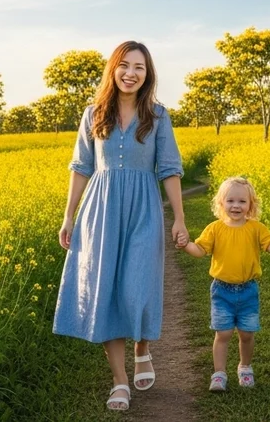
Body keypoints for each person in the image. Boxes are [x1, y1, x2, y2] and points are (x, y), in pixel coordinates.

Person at [53, 41, 189, 412]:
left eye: (140, 67)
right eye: (125, 65)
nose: (131, 73)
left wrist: (179, 218)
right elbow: (81, 167)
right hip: (101, 209)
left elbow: (170, 169)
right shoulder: (93, 113)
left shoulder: (158, 116)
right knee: (106, 290)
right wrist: (69, 215)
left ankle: (143, 348)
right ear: (113, 69)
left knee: (139, 284)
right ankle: (119, 380)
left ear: (148, 75)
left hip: (144, 207)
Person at [178, 176, 270, 392]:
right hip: (222, 290)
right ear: (221, 203)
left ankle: (245, 367)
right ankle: (219, 374)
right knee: (223, 333)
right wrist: (185, 245)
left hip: (248, 290)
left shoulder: (256, 228)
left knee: (247, 334)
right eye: (230, 201)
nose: (236, 206)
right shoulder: (215, 229)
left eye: (242, 201)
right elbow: (200, 250)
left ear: (251, 204)